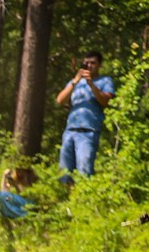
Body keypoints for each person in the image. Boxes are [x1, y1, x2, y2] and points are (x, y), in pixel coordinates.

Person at [54, 51, 115, 185]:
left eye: (93, 63)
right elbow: (60, 100)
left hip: (89, 131)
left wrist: (91, 84)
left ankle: (84, 196)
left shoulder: (105, 81)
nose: (89, 66)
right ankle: (66, 196)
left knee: (84, 169)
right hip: (70, 130)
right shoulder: (75, 82)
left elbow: (106, 101)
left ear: (99, 65)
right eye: (86, 63)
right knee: (65, 170)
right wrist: (75, 82)